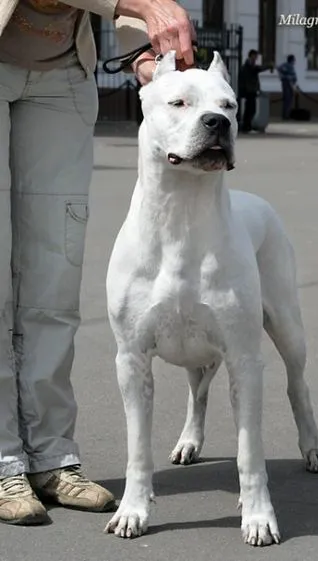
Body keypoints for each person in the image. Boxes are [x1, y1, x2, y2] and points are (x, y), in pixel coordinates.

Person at [0, 0, 195, 526]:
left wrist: (143, 54)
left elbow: (136, 15)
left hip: (62, 78)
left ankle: (50, 455)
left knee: (53, 276)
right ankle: (1, 461)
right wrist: (144, 5)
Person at [238, 49, 272, 133]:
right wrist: (269, 66)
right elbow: (257, 69)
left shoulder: (250, 65)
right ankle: (246, 127)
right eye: (255, 56)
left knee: (251, 109)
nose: (256, 58)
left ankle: (247, 126)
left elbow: (258, 69)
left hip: (252, 90)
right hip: (249, 90)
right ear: (251, 56)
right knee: (250, 109)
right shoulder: (248, 66)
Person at [277, 54, 298, 121]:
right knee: (288, 99)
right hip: (288, 84)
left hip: (287, 83)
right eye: (294, 60)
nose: (294, 61)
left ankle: (286, 115)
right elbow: (291, 76)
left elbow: (279, 68)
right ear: (291, 60)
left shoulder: (286, 66)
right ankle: (286, 116)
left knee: (287, 99)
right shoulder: (289, 66)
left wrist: (282, 76)